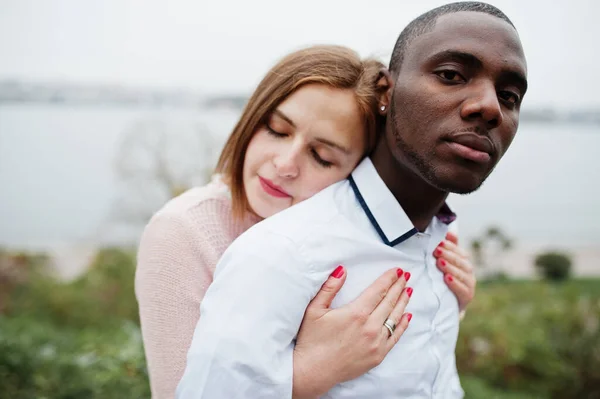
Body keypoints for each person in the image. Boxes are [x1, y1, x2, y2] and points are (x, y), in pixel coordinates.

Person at [177, 2, 526, 398]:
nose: (490, 107)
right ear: (385, 91)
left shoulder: (444, 236)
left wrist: (451, 305)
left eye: (509, 95)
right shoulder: (282, 254)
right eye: (451, 75)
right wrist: (304, 375)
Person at [136, 46, 476, 398]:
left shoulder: (348, 234)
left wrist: (443, 298)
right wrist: (311, 373)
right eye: (277, 130)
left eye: (321, 156)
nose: (285, 163)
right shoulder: (183, 231)